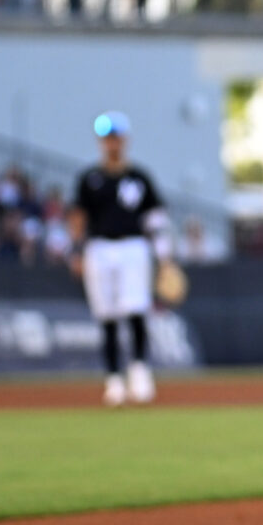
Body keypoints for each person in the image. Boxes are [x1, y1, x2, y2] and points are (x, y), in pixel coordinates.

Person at [68, 111, 171, 406]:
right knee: (107, 315)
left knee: (136, 309)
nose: (112, 143)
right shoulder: (90, 178)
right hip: (99, 248)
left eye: (116, 137)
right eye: (106, 137)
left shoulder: (139, 178)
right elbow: (78, 217)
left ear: (125, 139)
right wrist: (76, 251)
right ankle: (114, 380)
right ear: (101, 142)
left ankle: (139, 373)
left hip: (133, 248)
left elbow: (156, 220)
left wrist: (164, 259)